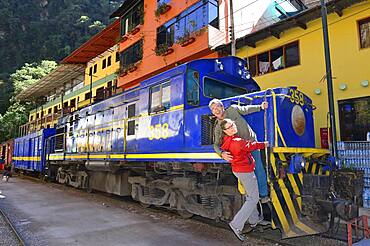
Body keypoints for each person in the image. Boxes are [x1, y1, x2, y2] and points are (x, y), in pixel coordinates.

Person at [209, 98, 269, 201]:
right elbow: (216, 145)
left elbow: (246, 109)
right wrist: (222, 153)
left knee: (259, 168)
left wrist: (260, 107)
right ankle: (251, 197)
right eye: (213, 109)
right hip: (240, 151)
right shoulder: (218, 127)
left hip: (251, 143)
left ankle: (263, 195)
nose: (216, 110)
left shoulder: (233, 109)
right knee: (246, 173)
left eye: (217, 107)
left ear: (222, 106)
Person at [220, 118, 268, 241]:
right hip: (245, 171)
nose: (232, 128)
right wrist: (265, 144)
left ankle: (254, 220)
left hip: (239, 170)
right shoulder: (236, 141)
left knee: (249, 196)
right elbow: (250, 146)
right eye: (229, 127)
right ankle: (236, 224)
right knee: (253, 198)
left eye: (232, 125)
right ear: (225, 131)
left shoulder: (228, 141)